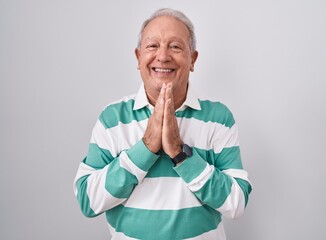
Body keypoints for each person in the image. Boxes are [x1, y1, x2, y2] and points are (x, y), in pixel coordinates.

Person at [73, 8, 252, 240]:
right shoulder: (112, 119)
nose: (163, 56)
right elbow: (88, 201)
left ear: (193, 60)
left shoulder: (218, 118)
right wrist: (145, 148)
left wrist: (180, 153)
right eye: (152, 46)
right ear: (138, 58)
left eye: (175, 46)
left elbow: (236, 203)